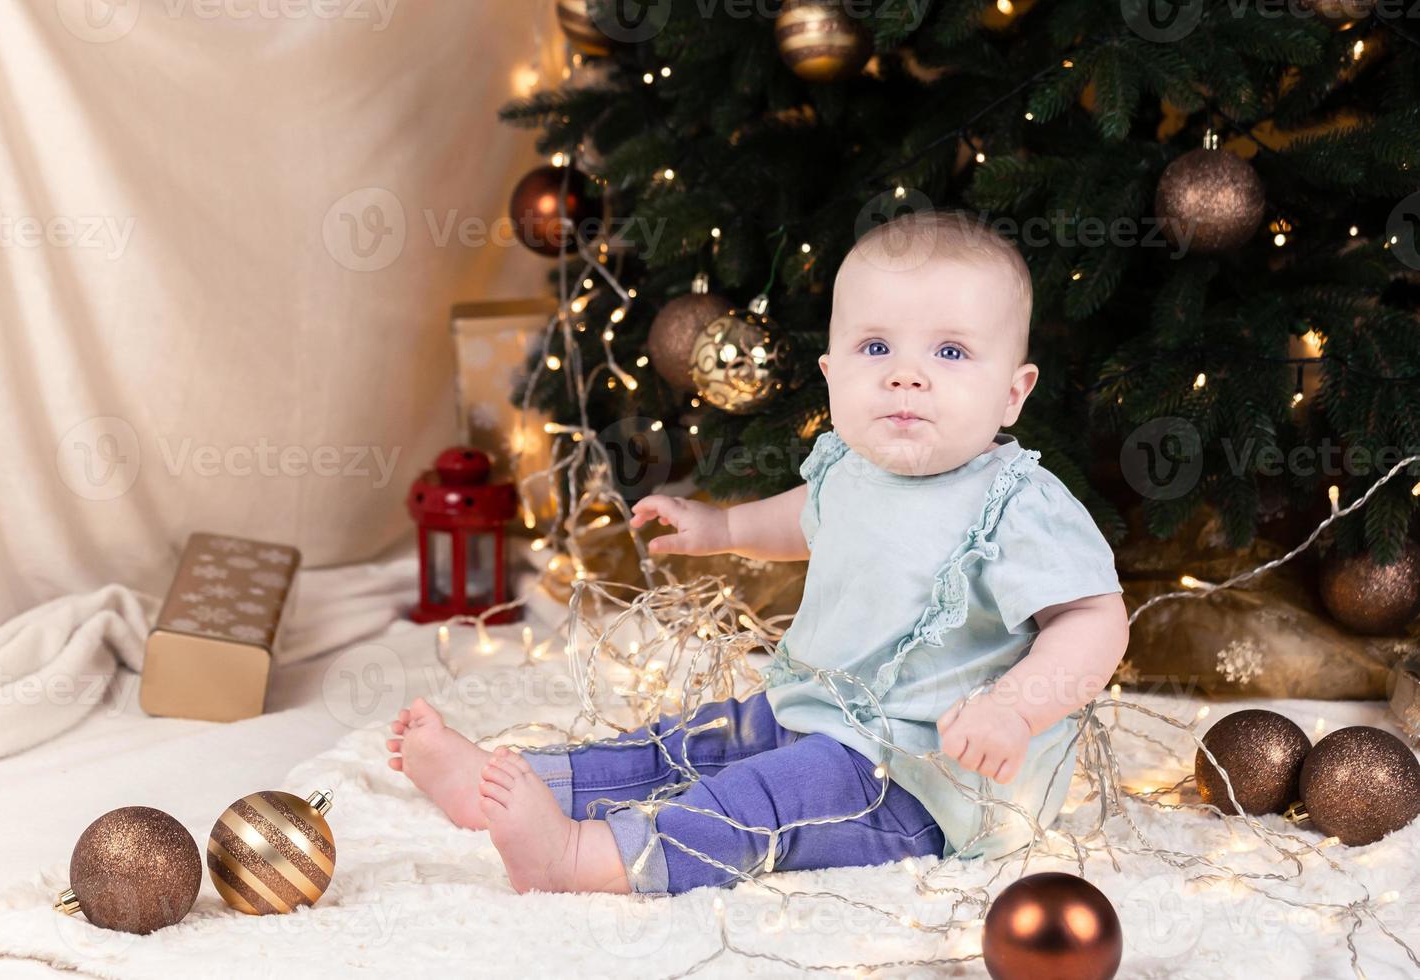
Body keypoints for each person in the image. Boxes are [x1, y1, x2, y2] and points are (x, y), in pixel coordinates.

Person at [388, 209, 1128, 895]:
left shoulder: (1018, 503)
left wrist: (1014, 708)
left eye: (951, 350)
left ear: (1012, 393)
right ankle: (515, 781)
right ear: (834, 375)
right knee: (693, 741)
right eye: (876, 347)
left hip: (924, 775)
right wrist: (724, 530)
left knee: (758, 800)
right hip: (815, 707)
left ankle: (592, 859)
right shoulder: (850, 464)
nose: (907, 373)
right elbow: (808, 518)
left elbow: (1095, 620)